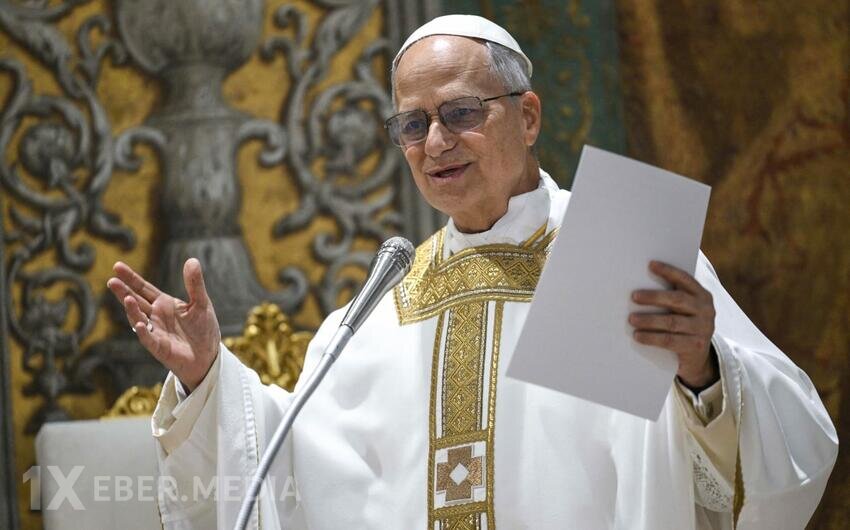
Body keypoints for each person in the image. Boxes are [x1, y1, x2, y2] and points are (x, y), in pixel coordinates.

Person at [107, 15, 837, 530]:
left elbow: (794, 443)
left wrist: (702, 371)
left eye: (460, 112)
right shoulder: (387, 300)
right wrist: (208, 377)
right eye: (413, 124)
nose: (436, 142)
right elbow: (292, 468)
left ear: (527, 116)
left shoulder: (621, 251)